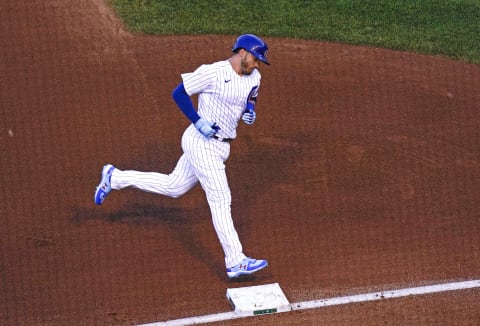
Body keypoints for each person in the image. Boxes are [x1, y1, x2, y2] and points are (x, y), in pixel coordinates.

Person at [94, 34, 270, 279]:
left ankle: (115, 178)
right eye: (255, 58)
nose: (257, 64)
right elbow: (178, 93)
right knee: (221, 198)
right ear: (242, 52)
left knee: (173, 186)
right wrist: (198, 122)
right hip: (201, 142)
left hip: (222, 147)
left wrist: (250, 112)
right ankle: (235, 260)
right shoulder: (213, 73)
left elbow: (251, 96)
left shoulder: (255, 77)